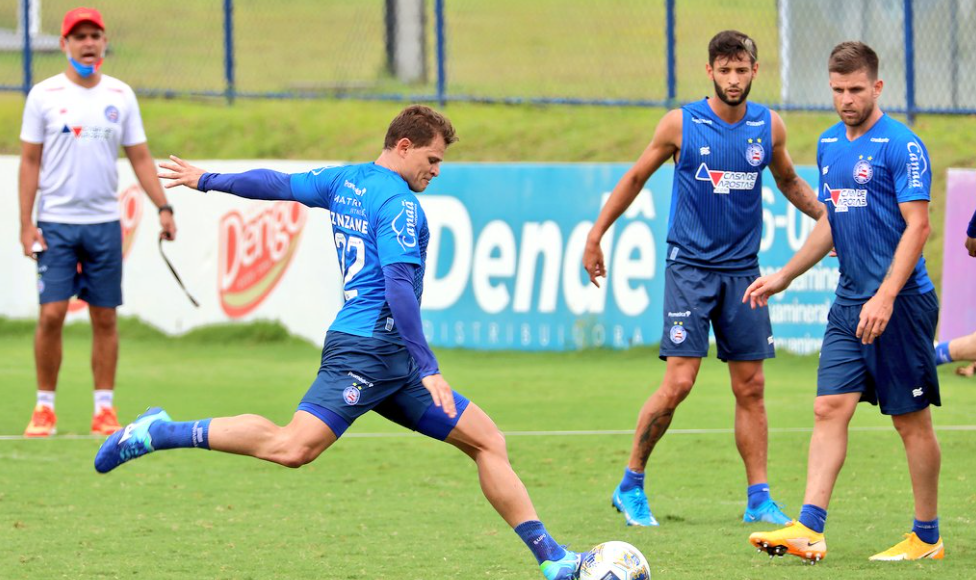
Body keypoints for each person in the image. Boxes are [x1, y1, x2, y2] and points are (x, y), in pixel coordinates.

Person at [95, 106, 587, 580]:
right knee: (292, 447)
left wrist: (209, 180)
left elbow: (276, 184)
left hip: (393, 360)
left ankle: (555, 561)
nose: (437, 171)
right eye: (432, 160)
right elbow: (397, 287)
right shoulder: (398, 204)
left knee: (487, 441)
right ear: (404, 145)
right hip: (366, 352)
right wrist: (429, 366)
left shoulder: (344, 180)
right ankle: (158, 432)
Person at [582, 30, 823, 528]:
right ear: (709, 71)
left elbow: (789, 181)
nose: (733, 79)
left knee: (752, 386)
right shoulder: (681, 124)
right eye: (725, 70)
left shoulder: (768, 126)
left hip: (743, 273)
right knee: (679, 383)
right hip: (690, 270)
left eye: (742, 70)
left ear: (755, 71)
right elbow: (634, 179)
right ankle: (631, 484)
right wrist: (596, 235)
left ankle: (759, 497)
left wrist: (830, 217)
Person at [746, 41, 944, 563]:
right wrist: (784, 275)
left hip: (899, 304)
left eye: (856, 89)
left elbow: (918, 227)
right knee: (828, 406)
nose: (846, 99)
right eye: (837, 90)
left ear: (877, 87)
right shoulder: (830, 144)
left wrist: (885, 295)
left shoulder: (902, 145)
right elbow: (830, 221)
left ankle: (927, 537)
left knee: (911, 420)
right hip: (850, 301)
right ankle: (809, 529)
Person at [19, 7, 177, 438]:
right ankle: (44, 407)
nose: (89, 43)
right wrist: (25, 223)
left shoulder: (120, 95)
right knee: (51, 314)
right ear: (64, 44)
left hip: (104, 224)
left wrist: (163, 207)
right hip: (55, 223)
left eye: (96, 35)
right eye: (79, 36)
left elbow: (139, 156)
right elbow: (29, 161)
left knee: (104, 317)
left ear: (104, 42)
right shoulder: (44, 95)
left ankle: (104, 409)